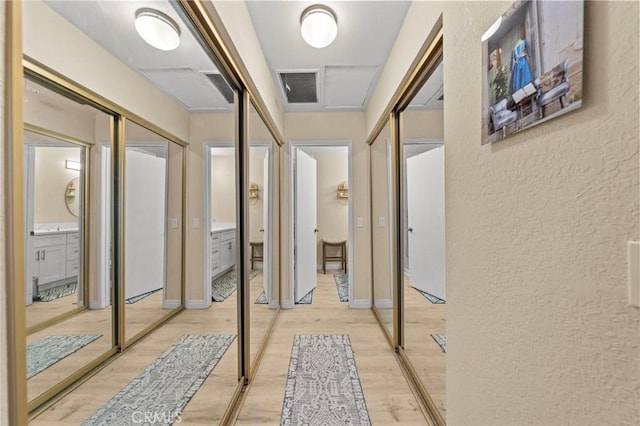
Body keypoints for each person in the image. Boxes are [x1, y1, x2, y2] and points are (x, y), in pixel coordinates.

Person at [509, 27, 534, 94]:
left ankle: (523, 90)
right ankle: (525, 90)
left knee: (519, 79)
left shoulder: (515, 48)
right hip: (521, 62)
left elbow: (513, 59)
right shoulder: (523, 42)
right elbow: (529, 51)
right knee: (523, 76)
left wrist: (529, 54)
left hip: (518, 64)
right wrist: (529, 54)